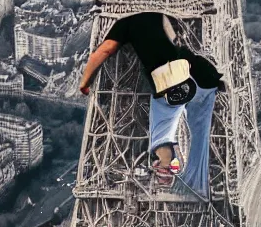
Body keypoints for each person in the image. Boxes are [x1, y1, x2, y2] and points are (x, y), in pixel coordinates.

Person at [78, 13, 223, 195]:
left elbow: (104, 51)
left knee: (161, 133)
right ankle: (198, 186)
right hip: (203, 77)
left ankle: (166, 168)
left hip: (172, 81)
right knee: (200, 137)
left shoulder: (125, 23)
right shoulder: (160, 14)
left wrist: (84, 83)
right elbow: (175, 39)